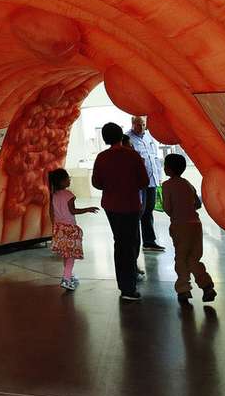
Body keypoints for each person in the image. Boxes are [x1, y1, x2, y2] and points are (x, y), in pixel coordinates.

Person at [91, 122, 150, 301]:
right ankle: (128, 287)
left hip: (111, 206)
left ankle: (124, 284)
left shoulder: (101, 157)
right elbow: (144, 181)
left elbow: (96, 183)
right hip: (131, 205)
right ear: (121, 136)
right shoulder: (132, 156)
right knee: (131, 243)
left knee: (120, 243)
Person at [161, 153, 216, 304]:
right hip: (195, 226)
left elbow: (167, 208)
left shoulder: (166, 185)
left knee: (181, 258)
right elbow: (198, 204)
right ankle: (207, 286)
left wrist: (174, 211)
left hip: (180, 226)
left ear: (169, 169)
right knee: (194, 258)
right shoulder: (188, 184)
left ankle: (183, 289)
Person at [48, 168, 99, 291]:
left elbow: (51, 212)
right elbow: (73, 211)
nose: (69, 180)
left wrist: (54, 225)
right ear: (61, 182)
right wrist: (88, 209)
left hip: (59, 228)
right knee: (71, 255)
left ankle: (69, 275)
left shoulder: (53, 195)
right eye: (67, 178)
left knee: (66, 254)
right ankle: (66, 278)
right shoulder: (69, 195)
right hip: (70, 228)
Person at [126, 115, 165, 252]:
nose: (141, 127)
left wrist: (159, 176)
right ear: (132, 124)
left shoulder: (149, 136)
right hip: (138, 183)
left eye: (143, 124)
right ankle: (134, 242)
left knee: (148, 211)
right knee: (138, 212)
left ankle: (149, 241)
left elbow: (155, 157)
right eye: (138, 124)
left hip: (152, 181)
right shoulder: (127, 139)